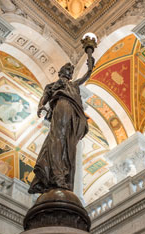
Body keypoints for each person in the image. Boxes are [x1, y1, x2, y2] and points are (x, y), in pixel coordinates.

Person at [28, 57, 95, 194]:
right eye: (67, 70)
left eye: (71, 71)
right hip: (62, 105)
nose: (69, 72)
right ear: (60, 72)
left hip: (73, 111)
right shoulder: (53, 85)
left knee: (68, 142)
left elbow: (86, 76)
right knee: (58, 136)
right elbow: (44, 97)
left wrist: (90, 66)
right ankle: (57, 174)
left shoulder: (74, 85)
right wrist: (40, 106)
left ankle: (63, 175)